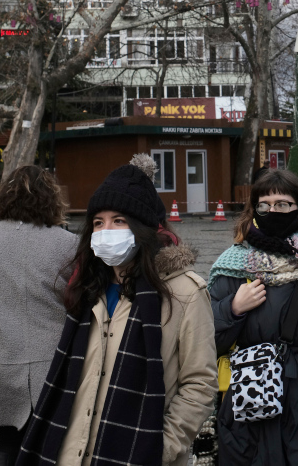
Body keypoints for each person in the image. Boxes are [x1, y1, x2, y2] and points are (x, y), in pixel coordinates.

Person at [18, 164, 217, 466]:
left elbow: (200, 383)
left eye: (119, 221)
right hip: (72, 453)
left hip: (140, 452)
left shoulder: (185, 292)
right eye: (98, 223)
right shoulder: (87, 289)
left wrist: (160, 446)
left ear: (143, 228)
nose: (105, 231)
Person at [209, 169, 298, 466]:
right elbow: (206, 340)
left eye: (282, 204)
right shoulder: (233, 262)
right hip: (250, 391)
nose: (272, 211)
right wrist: (232, 309)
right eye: (264, 205)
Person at [0, 165, 78, 466]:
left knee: (6, 444)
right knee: (50, 444)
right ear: (52, 199)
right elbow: (80, 302)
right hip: (52, 361)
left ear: (4, 197)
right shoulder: (68, 243)